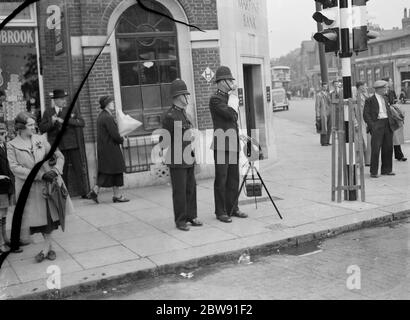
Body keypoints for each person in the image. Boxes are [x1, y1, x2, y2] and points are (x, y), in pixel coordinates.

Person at [7, 112, 69, 262]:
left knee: (48, 219)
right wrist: (40, 175)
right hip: (29, 189)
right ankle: (49, 248)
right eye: (30, 125)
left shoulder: (41, 139)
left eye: (34, 124)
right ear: (21, 128)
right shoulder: (11, 145)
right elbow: (15, 168)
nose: (34, 127)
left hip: (47, 187)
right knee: (39, 222)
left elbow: (59, 155)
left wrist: (55, 170)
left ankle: (46, 249)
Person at [161, 79, 202, 231]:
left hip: (188, 155)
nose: (187, 97)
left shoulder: (185, 114)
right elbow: (164, 140)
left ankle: (192, 215)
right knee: (180, 191)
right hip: (177, 158)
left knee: (191, 188)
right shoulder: (170, 116)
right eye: (185, 94)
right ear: (178, 96)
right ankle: (180, 220)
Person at [209, 66, 247, 223]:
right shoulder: (216, 99)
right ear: (221, 82)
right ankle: (220, 211)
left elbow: (235, 118)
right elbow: (230, 115)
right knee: (222, 178)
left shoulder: (230, 98)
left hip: (232, 141)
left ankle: (233, 207)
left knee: (233, 178)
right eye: (229, 80)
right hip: (221, 143)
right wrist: (232, 97)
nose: (232, 82)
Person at [39, 89, 88, 198]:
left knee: (78, 169)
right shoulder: (48, 112)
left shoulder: (71, 109)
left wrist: (64, 121)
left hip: (72, 144)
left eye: (64, 99)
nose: (64, 101)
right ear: (55, 100)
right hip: (58, 147)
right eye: (61, 99)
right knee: (61, 171)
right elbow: (42, 128)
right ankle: (63, 194)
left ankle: (84, 192)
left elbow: (82, 123)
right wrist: (51, 122)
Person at [87, 96, 129, 204]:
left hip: (105, 148)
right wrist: (121, 139)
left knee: (109, 171)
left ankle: (99, 192)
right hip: (111, 148)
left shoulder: (102, 116)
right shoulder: (107, 117)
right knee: (115, 171)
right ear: (106, 104)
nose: (113, 103)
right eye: (111, 102)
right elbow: (114, 134)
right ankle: (115, 195)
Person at [363, 80, 398, 178]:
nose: (386, 89)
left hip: (387, 124)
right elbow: (366, 114)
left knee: (388, 148)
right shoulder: (370, 100)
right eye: (385, 88)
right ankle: (373, 172)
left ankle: (386, 170)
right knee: (375, 149)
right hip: (377, 124)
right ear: (379, 89)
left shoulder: (386, 98)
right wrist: (372, 126)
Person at [383, 77, 407, 162]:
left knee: (396, 136)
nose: (392, 82)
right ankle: (386, 156)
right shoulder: (382, 93)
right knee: (387, 138)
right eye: (390, 81)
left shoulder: (392, 92)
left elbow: (395, 102)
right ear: (386, 83)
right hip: (386, 117)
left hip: (394, 116)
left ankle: (399, 155)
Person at [0, 123, 14, 253]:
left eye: (4, 133)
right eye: (1, 134)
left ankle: (5, 238)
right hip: (0, 186)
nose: (4, 136)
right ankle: (1, 243)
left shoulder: (4, 146)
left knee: (4, 214)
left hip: (6, 185)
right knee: (0, 214)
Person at [356, 81, 371, 166]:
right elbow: (352, 112)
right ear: (360, 87)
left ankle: (368, 161)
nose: (366, 87)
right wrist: (355, 123)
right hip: (359, 121)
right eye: (365, 86)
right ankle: (357, 161)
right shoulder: (355, 97)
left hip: (366, 121)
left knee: (368, 141)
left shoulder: (366, 95)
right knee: (359, 142)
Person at [315, 82, 332, 146]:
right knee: (323, 128)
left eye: (326, 86)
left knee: (329, 127)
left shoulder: (328, 94)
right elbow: (317, 106)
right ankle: (323, 142)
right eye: (324, 86)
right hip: (323, 113)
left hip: (329, 113)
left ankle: (327, 141)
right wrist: (318, 115)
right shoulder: (319, 95)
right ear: (321, 87)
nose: (325, 88)